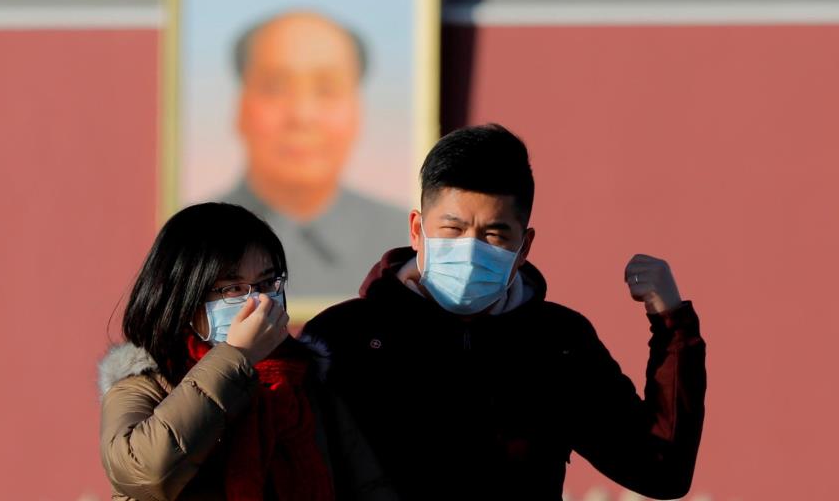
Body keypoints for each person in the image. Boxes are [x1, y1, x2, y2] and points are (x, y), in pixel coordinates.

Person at [302, 124, 707, 500]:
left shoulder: (559, 343)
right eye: (453, 229)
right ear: (416, 230)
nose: (470, 249)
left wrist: (671, 322)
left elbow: (661, 470)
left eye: (494, 235)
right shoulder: (342, 338)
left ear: (524, 247)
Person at [98, 203, 395, 500]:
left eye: (266, 283)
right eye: (233, 288)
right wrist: (236, 356)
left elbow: (370, 487)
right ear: (184, 296)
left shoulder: (305, 382)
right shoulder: (144, 385)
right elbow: (146, 474)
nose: (259, 301)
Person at [218, 11, 407, 299]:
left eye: (327, 90)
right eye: (275, 88)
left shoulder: (400, 240)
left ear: (358, 112)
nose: (302, 115)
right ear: (240, 108)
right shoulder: (199, 236)